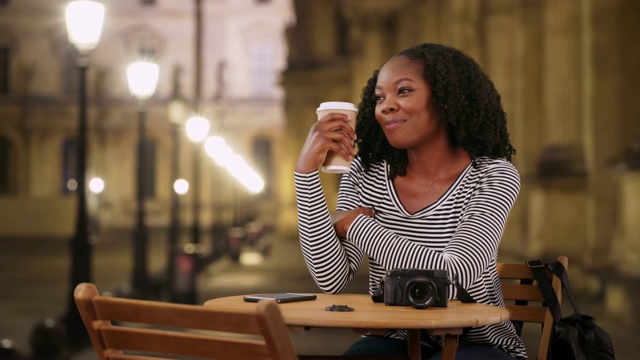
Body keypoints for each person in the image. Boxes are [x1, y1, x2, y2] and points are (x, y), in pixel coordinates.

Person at [294, 42, 526, 359]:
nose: (385, 106)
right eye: (379, 97)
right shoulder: (366, 172)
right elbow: (331, 279)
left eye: (403, 91)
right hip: (396, 338)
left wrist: (356, 226)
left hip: (477, 345)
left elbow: (457, 272)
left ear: (446, 99)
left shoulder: (492, 175)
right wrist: (305, 173)